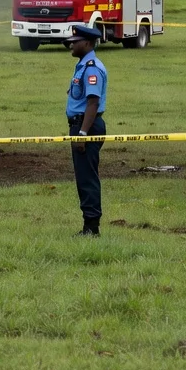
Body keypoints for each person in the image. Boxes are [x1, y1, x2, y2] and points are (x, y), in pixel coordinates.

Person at [65, 25, 107, 236]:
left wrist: (82, 133)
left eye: (76, 41)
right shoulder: (82, 65)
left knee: (87, 178)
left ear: (88, 43)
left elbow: (92, 103)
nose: (71, 44)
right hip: (82, 125)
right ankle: (89, 225)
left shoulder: (91, 68)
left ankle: (92, 228)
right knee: (83, 177)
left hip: (87, 127)